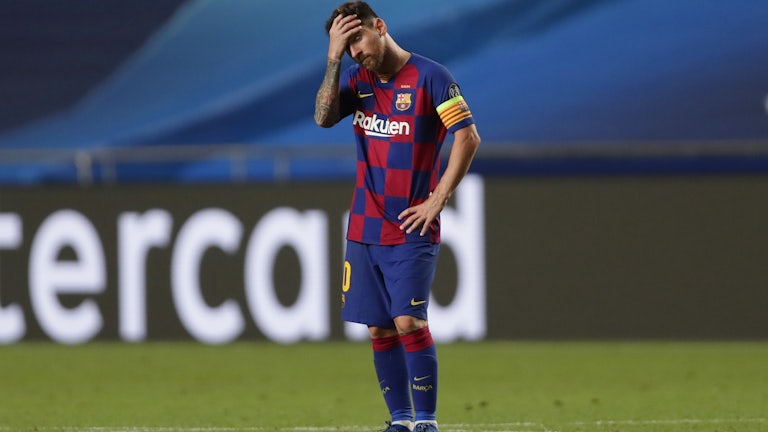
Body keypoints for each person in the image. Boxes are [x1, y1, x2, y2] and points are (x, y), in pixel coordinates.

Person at [314, 2, 481, 431]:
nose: (355, 52)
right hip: (364, 227)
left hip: (410, 225)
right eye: (345, 47)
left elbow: (467, 137)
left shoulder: (431, 77)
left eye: (356, 39)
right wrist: (332, 59)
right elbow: (323, 118)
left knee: (408, 320)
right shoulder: (359, 81)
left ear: (380, 26)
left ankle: (427, 421)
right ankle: (400, 421)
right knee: (379, 329)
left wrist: (438, 198)